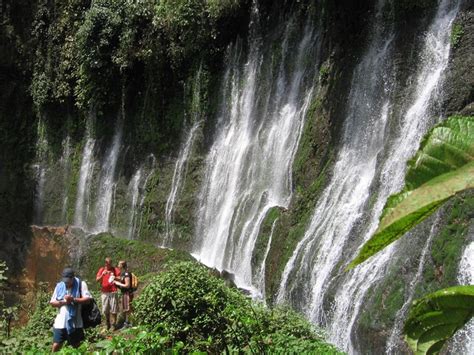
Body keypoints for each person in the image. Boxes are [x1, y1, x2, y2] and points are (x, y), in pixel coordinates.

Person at [50, 267, 91, 352]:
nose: (66, 283)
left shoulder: (81, 284)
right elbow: (52, 302)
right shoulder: (59, 285)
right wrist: (64, 302)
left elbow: (87, 299)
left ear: (73, 278)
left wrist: (73, 299)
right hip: (60, 322)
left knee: (76, 346)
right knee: (56, 344)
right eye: (65, 281)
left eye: (68, 281)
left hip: (76, 322)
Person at [96, 257, 120, 330]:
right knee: (105, 309)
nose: (109, 265)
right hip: (104, 292)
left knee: (114, 308)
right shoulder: (102, 270)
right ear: (105, 263)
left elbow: (120, 278)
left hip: (113, 291)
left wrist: (114, 277)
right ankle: (107, 323)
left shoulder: (115, 270)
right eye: (107, 264)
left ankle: (113, 324)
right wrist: (102, 275)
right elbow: (97, 280)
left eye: (110, 263)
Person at [114, 260, 133, 328]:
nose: (118, 265)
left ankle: (129, 323)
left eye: (119, 264)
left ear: (122, 266)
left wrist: (118, 283)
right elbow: (121, 279)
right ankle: (127, 322)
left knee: (128, 308)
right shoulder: (123, 274)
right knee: (125, 308)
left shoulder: (126, 274)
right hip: (124, 293)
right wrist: (114, 279)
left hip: (127, 293)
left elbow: (127, 285)